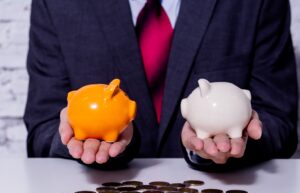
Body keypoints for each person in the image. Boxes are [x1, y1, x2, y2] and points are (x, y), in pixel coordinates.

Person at [24, 0, 298, 171]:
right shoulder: (56, 3)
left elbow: (279, 122)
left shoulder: (255, 3)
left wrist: (234, 142)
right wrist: (78, 137)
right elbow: (42, 128)